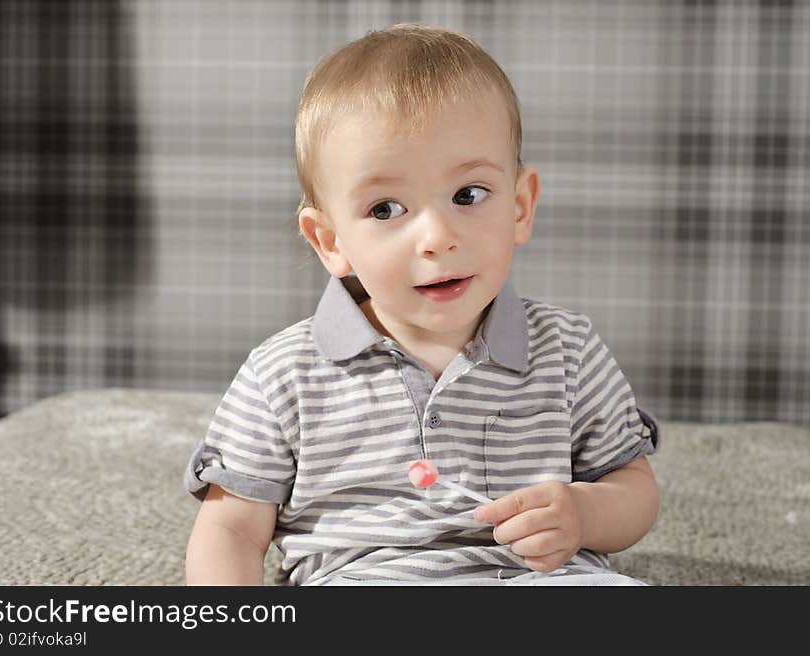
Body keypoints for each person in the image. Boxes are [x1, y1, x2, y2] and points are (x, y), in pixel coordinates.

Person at [184, 23, 660, 586]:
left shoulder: (567, 351)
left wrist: (584, 513)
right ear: (330, 242)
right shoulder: (282, 375)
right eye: (386, 209)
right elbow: (231, 530)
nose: (435, 236)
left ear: (520, 206)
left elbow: (633, 487)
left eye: (468, 195)